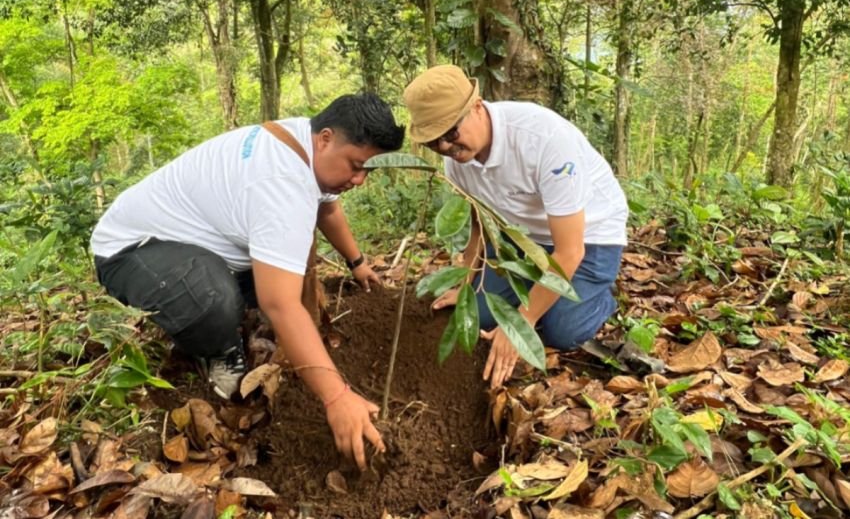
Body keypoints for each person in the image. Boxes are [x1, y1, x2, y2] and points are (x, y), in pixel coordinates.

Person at [91, 93, 404, 470]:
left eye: (367, 170)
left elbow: (327, 206)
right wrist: (336, 398)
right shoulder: (282, 183)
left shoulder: (306, 142)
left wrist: (357, 263)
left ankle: (213, 303)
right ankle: (218, 348)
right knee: (215, 302)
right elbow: (281, 304)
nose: (359, 180)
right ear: (325, 138)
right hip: (131, 250)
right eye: (355, 166)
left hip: (202, 245)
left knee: (279, 277)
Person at [403, 65, 627, 389]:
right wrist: (465, 281)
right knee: (475, 315)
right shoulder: (456, 163)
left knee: (561, 331)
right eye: (433, 142)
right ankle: (535, 289)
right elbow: (480, 222)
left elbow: (569, 250)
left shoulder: (543, 141)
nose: (446, 148)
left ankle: (599, 296)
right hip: (521, 239)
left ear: (477, 106)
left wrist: (522, 322)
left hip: (589, 238)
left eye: (451, 133)